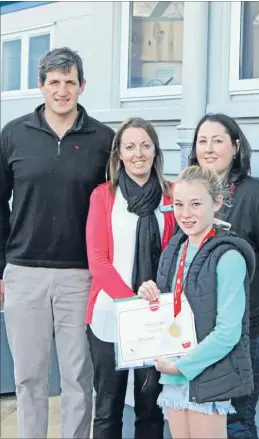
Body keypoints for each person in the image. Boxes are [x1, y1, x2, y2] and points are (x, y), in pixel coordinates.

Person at [0, 47, 114, 439]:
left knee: (78, 378)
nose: (62, 90)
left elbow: (116, 206)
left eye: (70, 82)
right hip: (23, 273)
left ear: (82, 86)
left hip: (80, 276)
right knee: (29, 377)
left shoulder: (103, 139)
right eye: (54, 82)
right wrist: (1, 269)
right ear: (41, 86)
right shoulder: (14, 134)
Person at [138, 165, 255, 439]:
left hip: (208, 376)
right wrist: (149, 292)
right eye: (178, 204)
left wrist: (182, 365)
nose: (185, 214)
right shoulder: (173, 250)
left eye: (195, 204)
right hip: (174, 376)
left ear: (216, 203)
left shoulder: (228, 257)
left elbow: (228, 332)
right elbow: (170, 307)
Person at [85, 117, 176, 439]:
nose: (139, 153)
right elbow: (98, 261)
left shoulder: (171, 196)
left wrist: (150, 307)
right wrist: (132, 304)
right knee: (108, 410)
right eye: (130, 146)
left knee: (150, 408)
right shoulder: (103, 196)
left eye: (145, 145)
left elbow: (175, 257)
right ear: (119, 154)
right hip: (110, 316)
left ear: (155, 151)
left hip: (156, 320)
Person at [188, 113, 259, 439]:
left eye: (218, 140)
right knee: (209, 417)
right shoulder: (191, 200)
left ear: (235, 147)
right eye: (202, 141)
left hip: (249, 330)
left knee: (235, 420)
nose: (209, 149)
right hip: (204, 334)